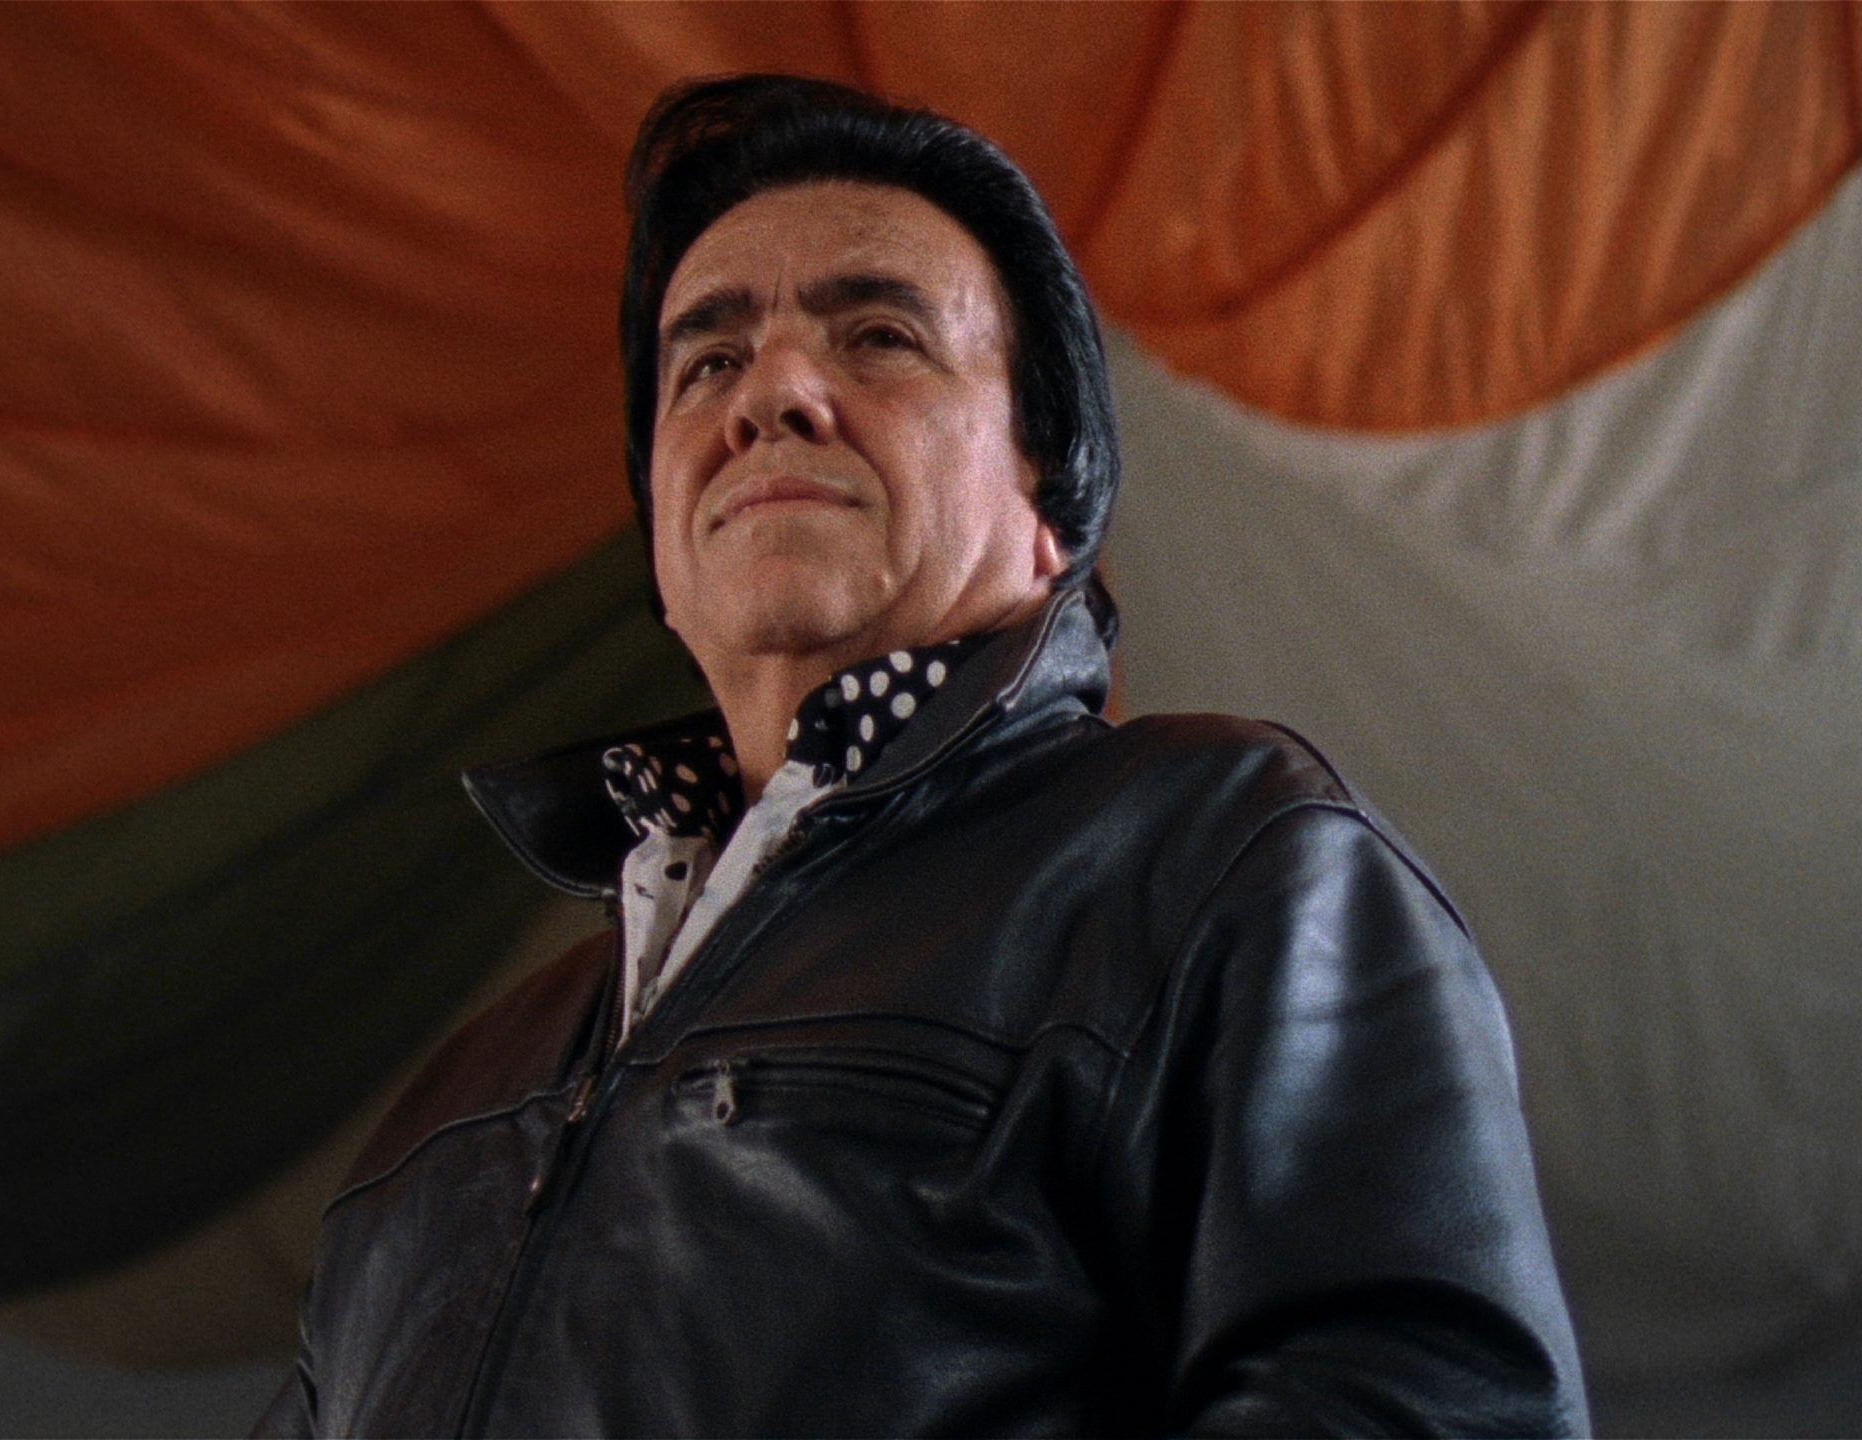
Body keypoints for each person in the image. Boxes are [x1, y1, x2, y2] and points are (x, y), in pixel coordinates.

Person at [257, 75, 1587, 1436]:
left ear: (1051, 500)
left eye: (880, 337)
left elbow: (1423, 1408)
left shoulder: (1220, 858)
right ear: (661, 540)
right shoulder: (450, 1103)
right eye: (706, 364)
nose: (770, 394)